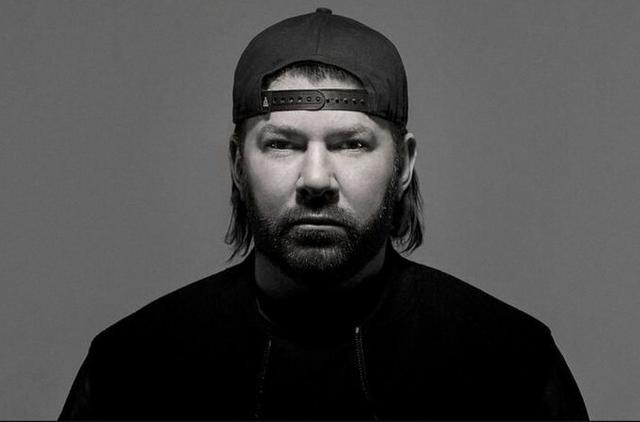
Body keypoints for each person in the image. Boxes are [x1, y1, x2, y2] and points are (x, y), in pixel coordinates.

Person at [60, 8, 588, 420]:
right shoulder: (133, 367)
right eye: (282, 144)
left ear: (403, 163)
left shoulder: (510, 362)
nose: (316, 179)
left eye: (351, 144)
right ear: (237, 164)